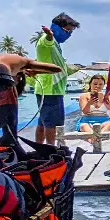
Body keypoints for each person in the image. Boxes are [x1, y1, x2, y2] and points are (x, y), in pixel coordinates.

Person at [0, 52, 63, 144]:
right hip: (0, 78)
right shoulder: (22, 60)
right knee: (10, 133)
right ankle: (10, 141)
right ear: (19, 76)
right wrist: (34, 70)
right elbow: (57, 69)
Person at [33, 12, 80, 146]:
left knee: (43, 122)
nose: (69, 35)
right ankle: (51, 149)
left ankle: (40, 148)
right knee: (52, 124)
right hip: (50, 89)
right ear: (57, 27)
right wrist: (49, 35)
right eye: (68, 31)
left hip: (51, 89)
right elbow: (47, 41)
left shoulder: (57, 45)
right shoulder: (47, 40)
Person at [77, 74, 110, 152]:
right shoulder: (84, 96)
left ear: (104, 85)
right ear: (90, 84)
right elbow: (85, 111)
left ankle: (94, 140)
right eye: (95, 84)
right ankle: (97, 140)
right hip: (87, 120)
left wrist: (109, 103)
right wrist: (89, 103)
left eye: (100, 84)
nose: (97, 86)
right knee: (84, 126)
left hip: (104, 120)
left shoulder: (106, 96)